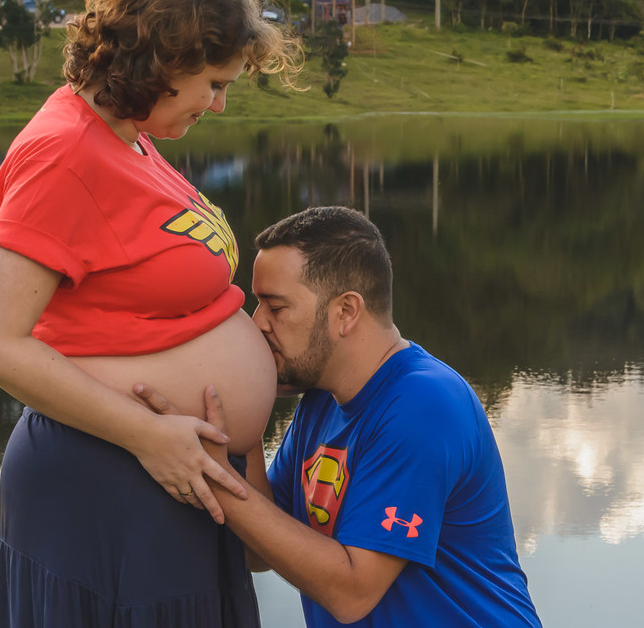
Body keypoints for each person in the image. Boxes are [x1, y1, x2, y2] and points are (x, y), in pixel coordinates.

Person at [0, 0, 298, 627]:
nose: (220, 102)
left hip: (160, 474)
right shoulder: (65, 154)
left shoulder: (127, 140)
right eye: (215, 81)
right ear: (168, 60)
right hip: (106, 481)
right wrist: (148, 434)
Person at [138, 206, 543, 627]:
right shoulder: (322, 400)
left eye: (275, 308)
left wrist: (207, 473)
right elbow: (258, 549)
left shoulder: (422, 405)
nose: (257, 324)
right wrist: (245, 421)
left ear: (346, 311)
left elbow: (352, 592)